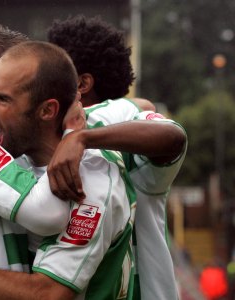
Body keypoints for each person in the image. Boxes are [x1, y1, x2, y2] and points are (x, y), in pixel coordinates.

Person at [0, 40, 186, 299]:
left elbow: (47, 294)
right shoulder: (21, 153)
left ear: (47, 110)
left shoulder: (91, 183)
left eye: (2, 99)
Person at [46, 15, 187, 299]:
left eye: (52, 70)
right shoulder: (52, 134)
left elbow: (174, 138)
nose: (41, 77)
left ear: (82, 83)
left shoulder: (125, 125)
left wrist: (83, 138)